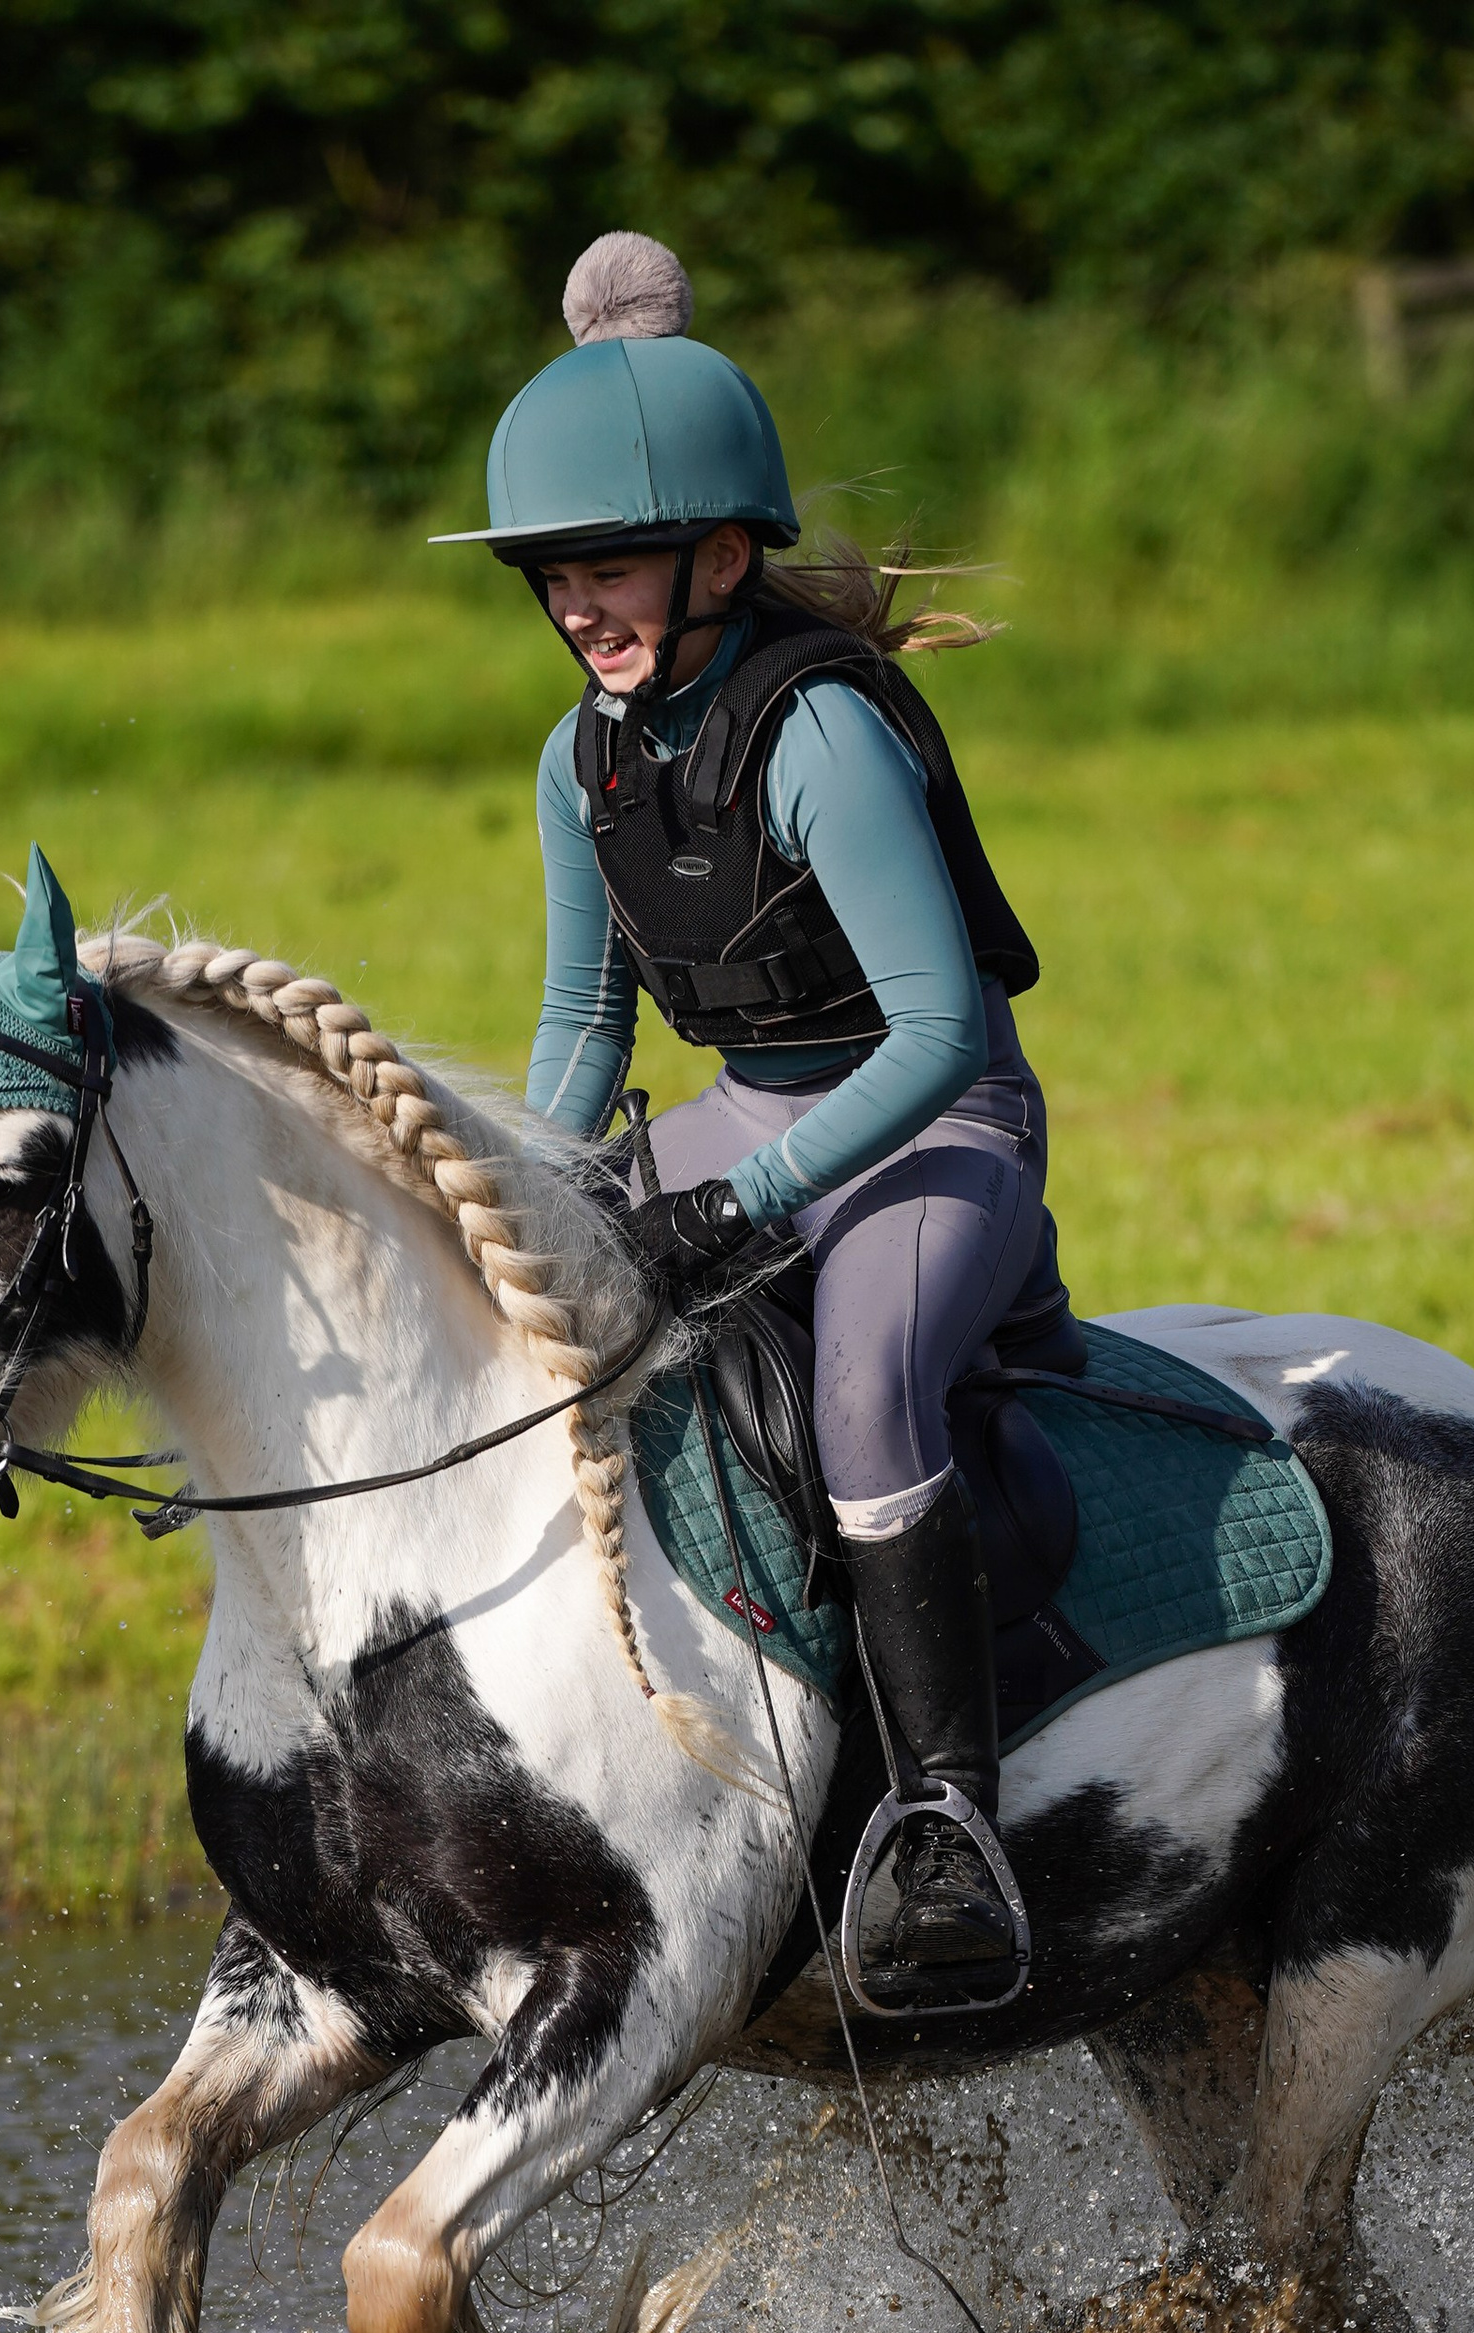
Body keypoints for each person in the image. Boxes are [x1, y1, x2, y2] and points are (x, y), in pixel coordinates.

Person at [437, 230, 1065, 1992]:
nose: (576, 604)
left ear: (723, 556)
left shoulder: (820, 736)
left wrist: (748, 1192)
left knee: (864, 1398)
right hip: (748, 1121)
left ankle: (948, 1827)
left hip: (937, 1136)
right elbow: (581, 1020)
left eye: (610, 566)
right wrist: (528, 1197)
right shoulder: (582, 760)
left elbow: (942, 1029)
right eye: (550, 575)